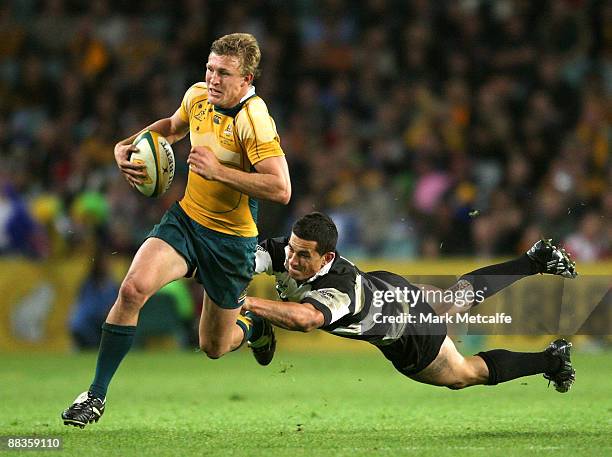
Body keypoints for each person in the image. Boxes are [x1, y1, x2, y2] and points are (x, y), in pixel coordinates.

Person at [62, 33, 291, 428]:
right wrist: (129, 144)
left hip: (232, 243)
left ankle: (253, 325)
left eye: (224, 73)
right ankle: (95, 396)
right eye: (210, 68)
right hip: (186, 222)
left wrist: (219, 171)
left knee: (213, 346)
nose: (213, 79)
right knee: (132, 289)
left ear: (247, 80)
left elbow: (281, 188)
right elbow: (171, 127)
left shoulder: (255, 120)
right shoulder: (199, 96)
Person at [242, 212, 577, 393]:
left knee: (461, 373)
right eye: (292, 250)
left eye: (303, 255)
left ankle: (552, 360)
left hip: (405, 333)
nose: (292, 260)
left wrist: (246, 303)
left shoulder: (341, 289)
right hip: (388, 286)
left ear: (327, 256)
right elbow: (239, 262)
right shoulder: (286, 250)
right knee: (453, 300)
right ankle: (533, 261)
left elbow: (306, 319)